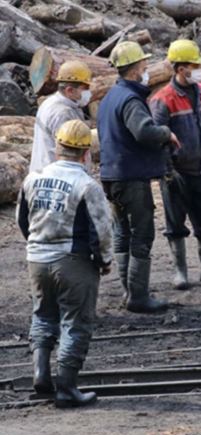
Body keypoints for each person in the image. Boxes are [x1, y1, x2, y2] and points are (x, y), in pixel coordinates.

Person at [16, 119, 113, 408]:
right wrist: (105, 260)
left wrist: (37, 245)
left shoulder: (32, 178)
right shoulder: (86, 185)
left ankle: (41, 373)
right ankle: (67, 388)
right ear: (86, 153)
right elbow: (102, 229)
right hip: (72, 261)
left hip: (37, 258)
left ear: (57, 147)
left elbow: (23, 220)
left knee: (43, 314)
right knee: (76, 322)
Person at [97, 41, 180, 314]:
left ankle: (128, 290)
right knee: (141, 234)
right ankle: (138, 296)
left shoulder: (110, 97)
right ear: (133, 70)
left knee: (121, 232)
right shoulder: (131, 100)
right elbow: (143, 132)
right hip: (131, 177)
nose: (147, 71)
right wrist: (166, 133)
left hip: (111, 175)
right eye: (144, 66)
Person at [150, 39, 201, 290]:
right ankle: (180, 272)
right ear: (179, 68)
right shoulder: (163, 99)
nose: (198, 69)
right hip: (176, 173)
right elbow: (157, 138)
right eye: (193, 65)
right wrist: (167, 171)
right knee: (175, 225)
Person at [30, 61, 93, 173]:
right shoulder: (63, 113)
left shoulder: (50, 102)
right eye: (85, 88)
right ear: (69, 90)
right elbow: (70, 153)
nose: (88, 92)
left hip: (43, 172)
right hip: (57, 176)